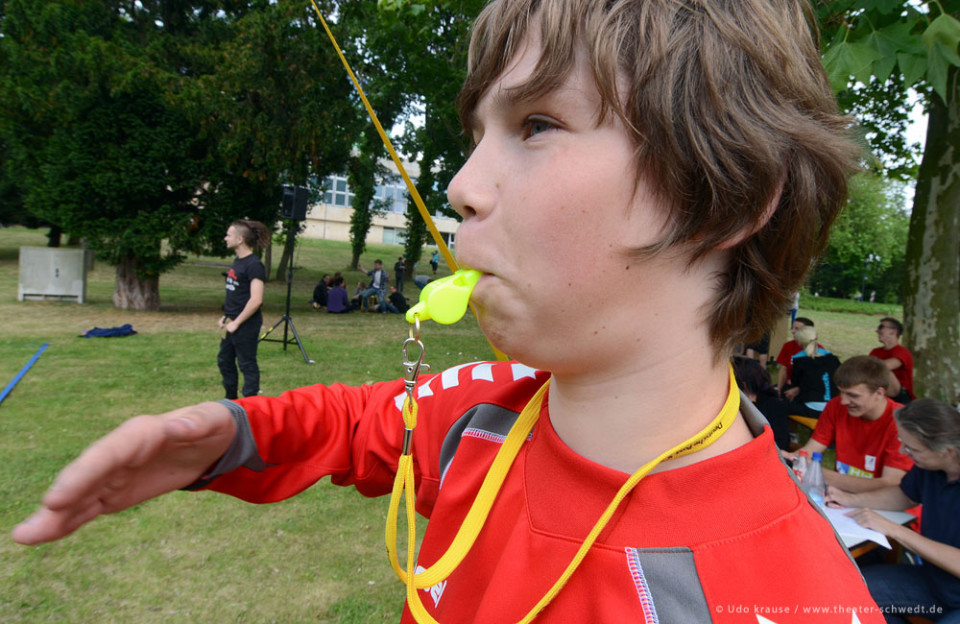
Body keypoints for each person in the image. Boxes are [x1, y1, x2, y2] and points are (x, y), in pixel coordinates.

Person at [12, 1, 883, 621]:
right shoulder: (487, 416)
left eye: (538, 123)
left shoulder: (788, 598)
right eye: (478, 135)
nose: (462, 187)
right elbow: (360, 423)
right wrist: (226, 437)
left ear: (726, 199)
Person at [826, 398, 960, 624]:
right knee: (851, 594)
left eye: (911, 448)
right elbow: (904, 495)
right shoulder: (930, 465)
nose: (903, 451)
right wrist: (851, 499)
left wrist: (895, 530)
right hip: (934, 582)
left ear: (947, 451)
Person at [785, 355, 913, 493]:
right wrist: (786, 457)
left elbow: (891, 484)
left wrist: (820, 474)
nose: (844, 401)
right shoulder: (835, 407)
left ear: (879, 393)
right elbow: (809, 451)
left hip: (884, 508)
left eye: (853, 395)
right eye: (842, 393)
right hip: (839, 499)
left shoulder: (903, 422)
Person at [216, 219, 268, 400]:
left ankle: (250, 404)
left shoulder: (254, 265)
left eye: (228, 235)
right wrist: (226, 316)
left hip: (246, 324)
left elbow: (256, 300)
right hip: (232, 322)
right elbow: (236, 293)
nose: (225, 238)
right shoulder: (237, 262)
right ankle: (231, 400)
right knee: (225, 361)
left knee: (247, 364)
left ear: (240, 240)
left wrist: (237, 322)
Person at [785, 325, 841, 418]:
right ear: (816, 338)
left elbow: (795, 384)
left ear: (799, 342)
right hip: (832, 407)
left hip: (812, 408)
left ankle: (784, 432)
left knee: (776, 405)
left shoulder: (799, 360)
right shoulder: (832, 358)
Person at [871, 317, 915, 404]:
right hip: (878, 392)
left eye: (881, 327)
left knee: (883, 368)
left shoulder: (903, 352)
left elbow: (884, 366)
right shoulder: (875, 351)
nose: (877, 331)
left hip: (900, 397)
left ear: (893, 332)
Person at [775, 316, 816, 397]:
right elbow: (783, 369)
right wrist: (779, 389)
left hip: (808, 390)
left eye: (797, 329)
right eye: (793, 328)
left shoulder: (817, 350)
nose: (793, 331)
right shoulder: (788, 346)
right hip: (789, 387)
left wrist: (799, 389)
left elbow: (815, 379)